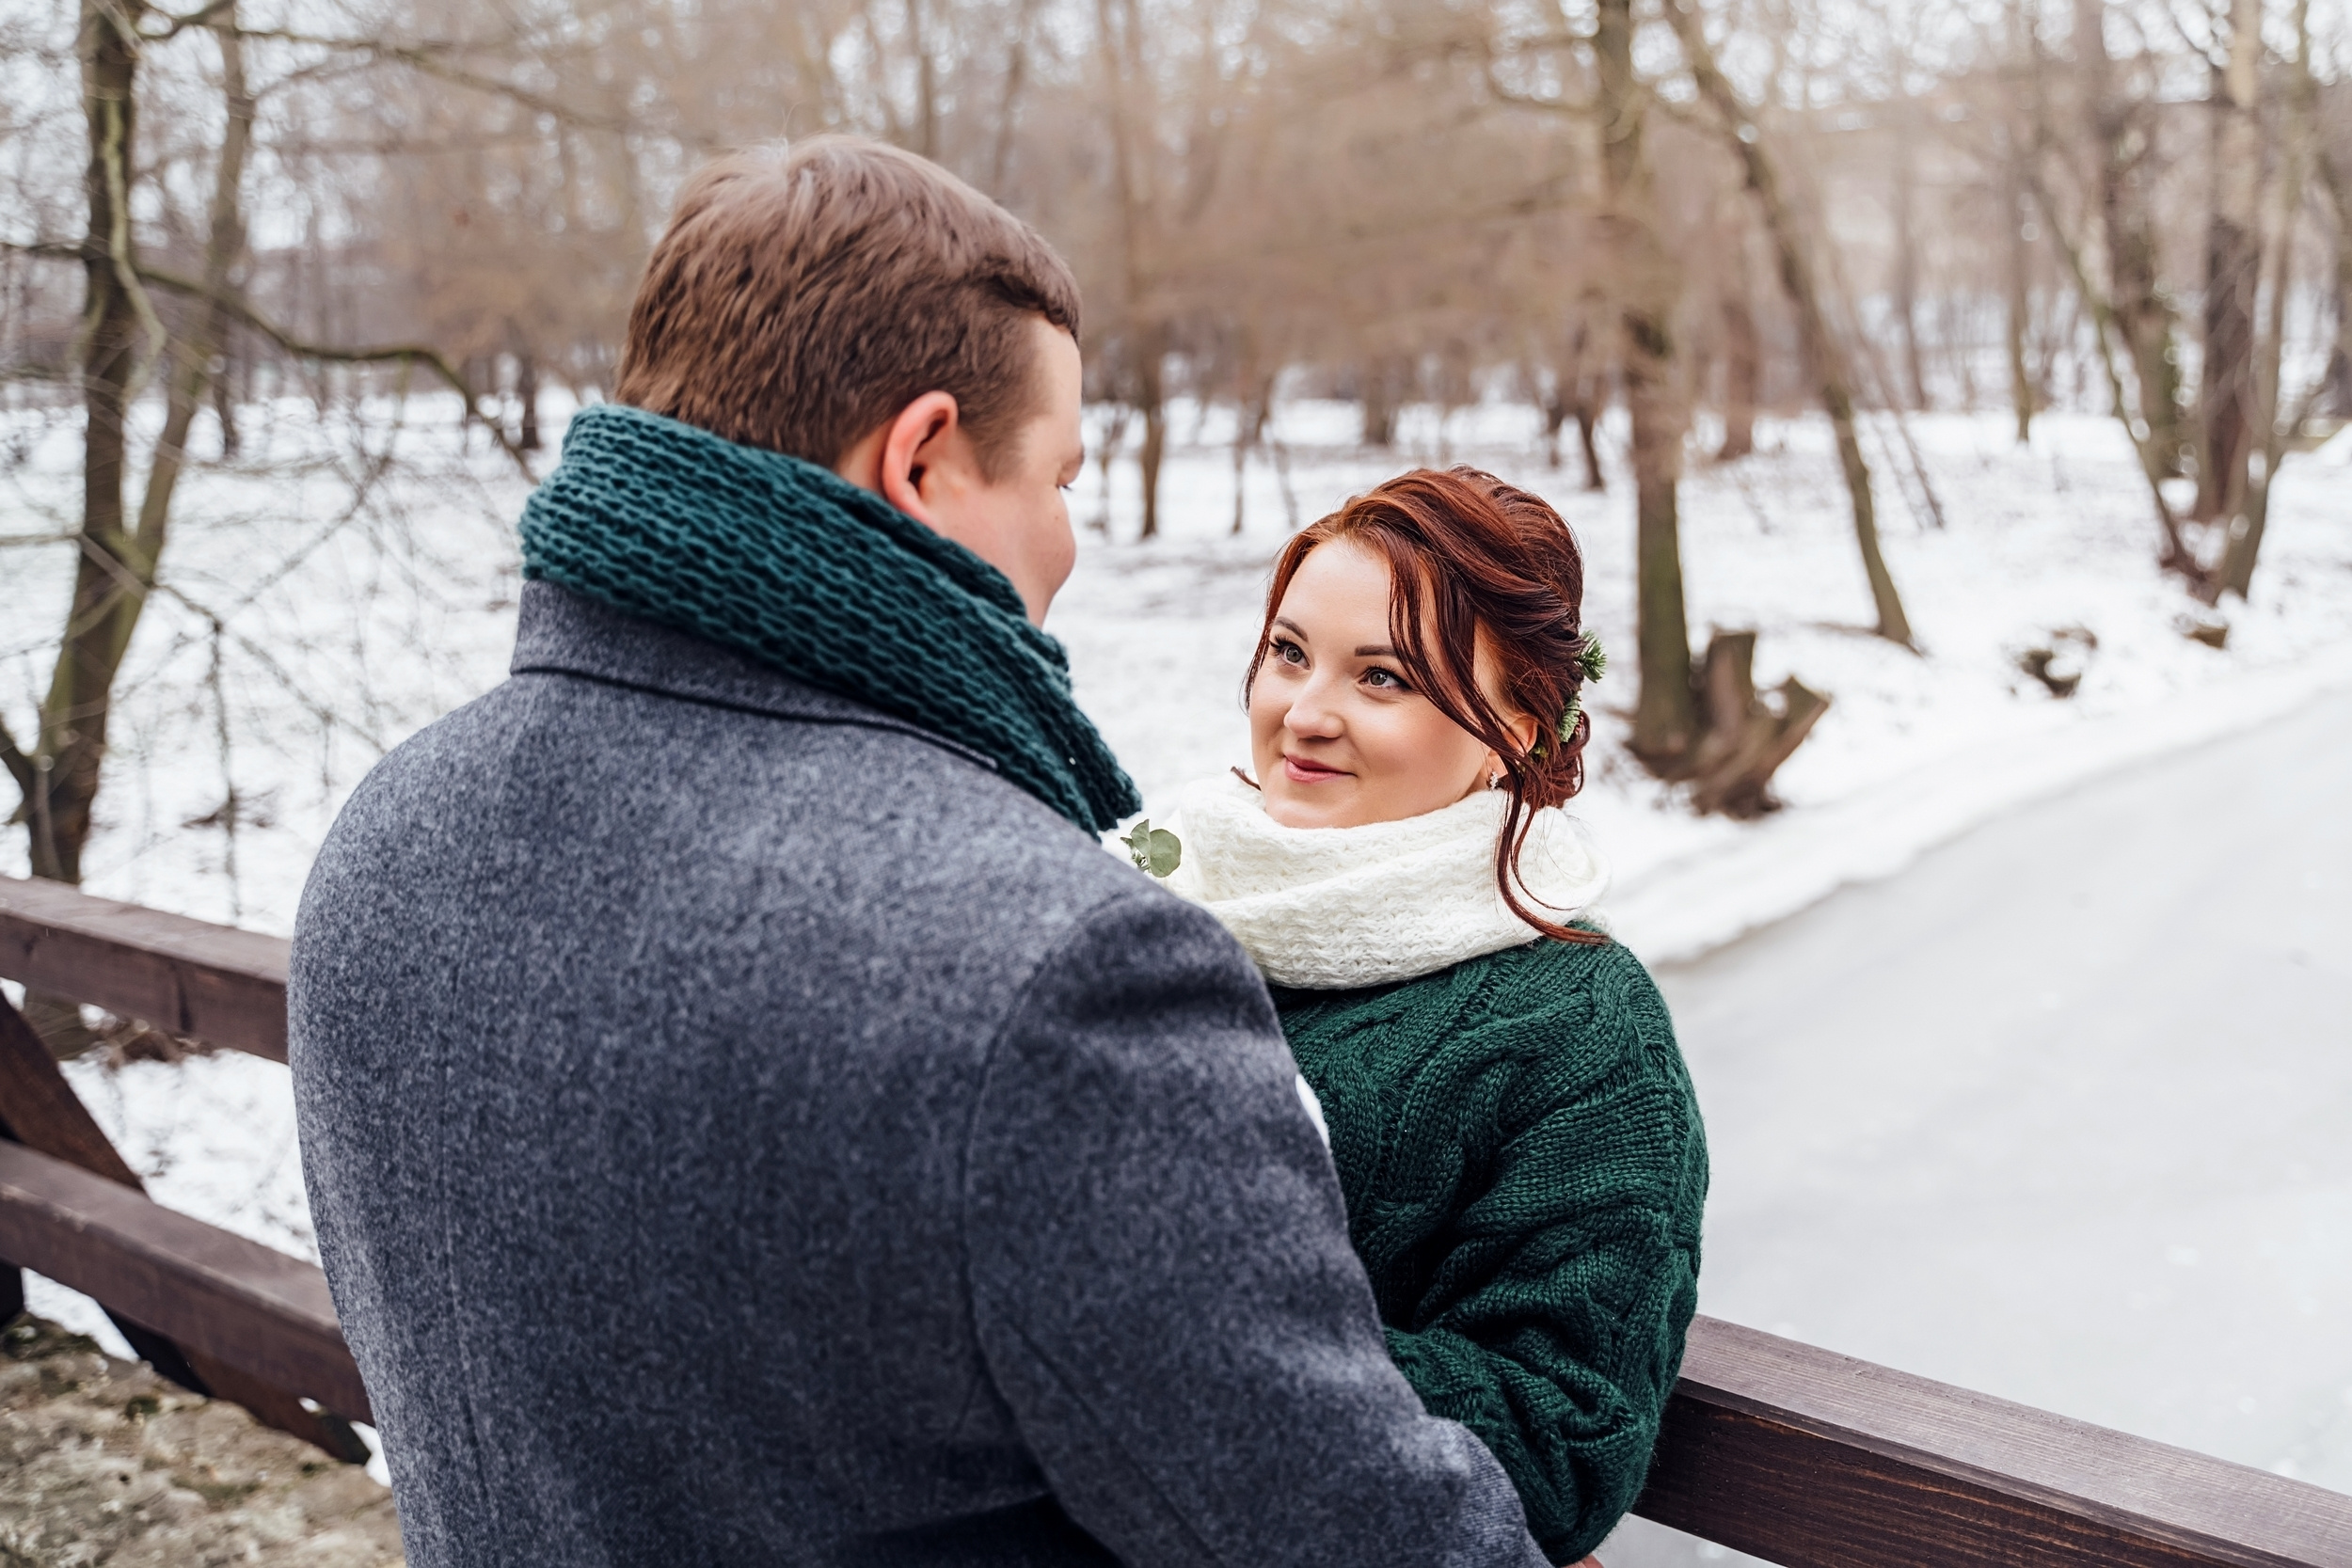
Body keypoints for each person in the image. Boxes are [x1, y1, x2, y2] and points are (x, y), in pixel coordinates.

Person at [288, 137, 1557, 1568]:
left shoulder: (386, 836)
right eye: (1062, 478)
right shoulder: (1060, 967)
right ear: (926, 456)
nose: (1068, 543)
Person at [1153, 467, 1709, 1566]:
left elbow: (1562, 1446)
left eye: (1385, 677)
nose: (1305, 712)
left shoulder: (1580, 1029)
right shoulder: (1156, 898)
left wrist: (1204, 1325)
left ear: (1517, 720)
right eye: (1289, 651)